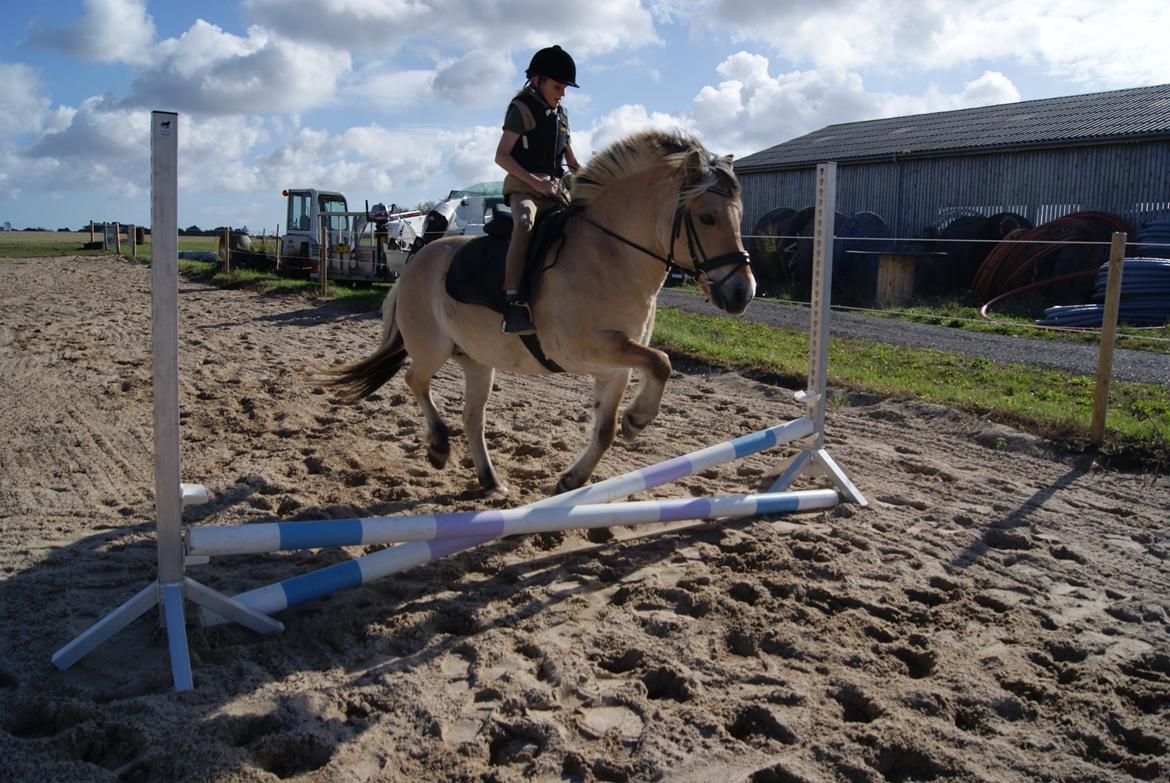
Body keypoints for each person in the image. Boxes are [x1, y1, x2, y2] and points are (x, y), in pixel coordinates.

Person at [494, 45, 581, 335]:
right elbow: (501, 156)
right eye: (558, 86)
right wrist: (535, 182)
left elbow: (572, 161)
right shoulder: (520, 110)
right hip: (524, 189)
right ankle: (513, 300)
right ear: (536, 81)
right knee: (524, 222)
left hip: (555, 191)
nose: (563, 93)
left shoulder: (562, 115)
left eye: (565, 87)